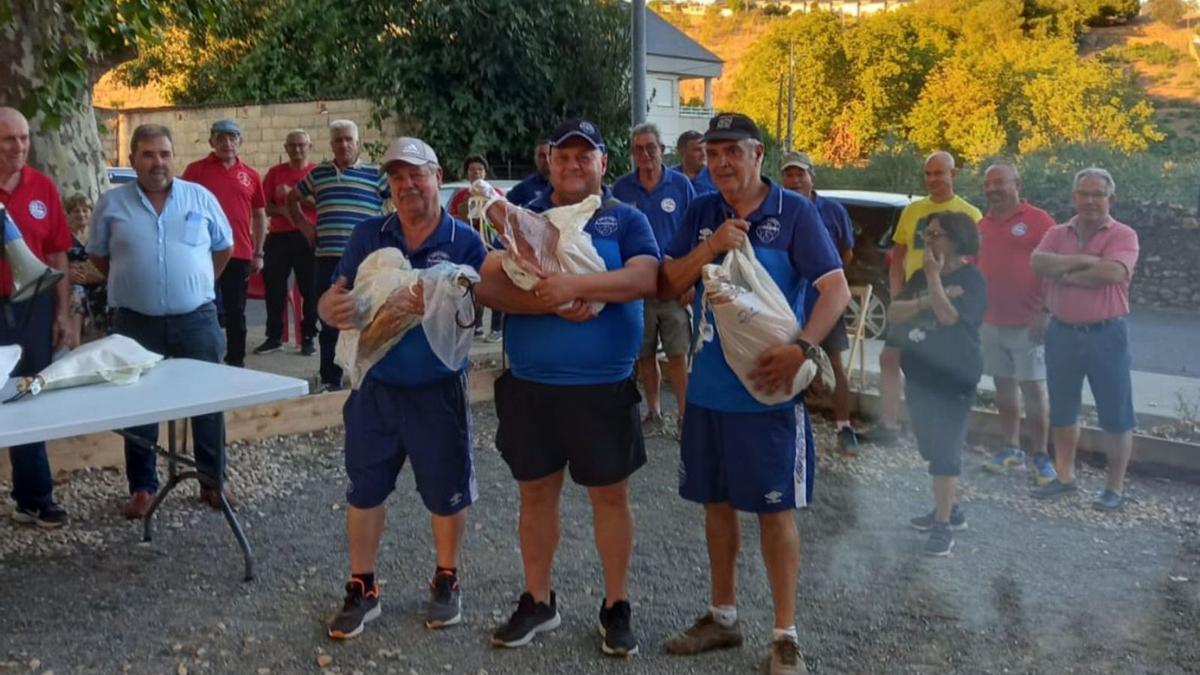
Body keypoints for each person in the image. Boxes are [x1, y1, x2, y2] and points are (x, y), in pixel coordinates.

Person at [659, 113, 850, 675]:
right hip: (709, 390)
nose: (720, 163)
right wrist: (711, 245)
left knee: (775, 512)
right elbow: (670, 282)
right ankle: (723, 618)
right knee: (716, 506)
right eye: (711, 153)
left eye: (731, 152)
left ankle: (785, 635)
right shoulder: (701, 210)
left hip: (769, 393)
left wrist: (805, 349)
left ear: (757, 154)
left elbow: (834, 289)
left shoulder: (795, 213)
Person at [476, 118, 659, 657]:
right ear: (548, 162)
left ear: (604, 163)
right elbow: (488, 284)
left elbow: (644, 278)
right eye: (564, 156)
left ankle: (616, 604)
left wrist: (576, 284)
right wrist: (551, 300)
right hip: (532, 389)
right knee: (535, 495)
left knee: (610, 497)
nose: (574, 165)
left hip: (602, 389)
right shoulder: (526, 217)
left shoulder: (624, 218)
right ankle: (538, 599)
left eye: (586, 156)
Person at [318, 137, 485, 639]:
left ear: (437, 176)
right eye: (397, 177)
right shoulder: (370, 233)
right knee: (365, 487)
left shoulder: (465, 239)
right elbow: (334, 295)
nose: (407, 185)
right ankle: (362, 586)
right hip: (376, 388)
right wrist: (331, 308)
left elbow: (483, 301)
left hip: (438, 389)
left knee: (446, 491)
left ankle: (447, 576)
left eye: (417, 174)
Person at [88, 124, 236, 518]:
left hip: (196, 320)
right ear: (133, 158)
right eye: (149, 154)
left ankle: (213, 481)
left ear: (174, 157)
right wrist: (136, 283)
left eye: (165, 154)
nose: (158, 162)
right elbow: (100, 257)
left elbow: (224, 248)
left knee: (208, 401)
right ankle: (142, 487)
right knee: (139, 407)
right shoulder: (112, 204)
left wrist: (197, 283)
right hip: (135, 324)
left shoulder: (200, 198)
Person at [1031, 168, 1139, 512]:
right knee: (1063, 410)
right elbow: (1037, 262)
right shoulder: (1056, 232)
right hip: (1062, 333)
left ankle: (1114, 488)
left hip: (1106, 335)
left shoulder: (1124, 235)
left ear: (1111, 199)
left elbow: (1112, 273)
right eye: (1084, 193)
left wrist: (1061, 271)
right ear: (1074, 197)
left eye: (1098, 194)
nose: (1090, 200)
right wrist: (1082, 262)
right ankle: (1065, 478)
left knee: (1116, 413)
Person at [886, 212, 986, 557]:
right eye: (927, 235)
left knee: (944, 452)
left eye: (936, 235)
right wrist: (928, 295)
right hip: (920, 377)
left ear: (957, 238)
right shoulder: (918, 276)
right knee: (928, 448)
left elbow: (949, 317)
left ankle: (943, 526)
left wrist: (933, 279)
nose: (929, 241)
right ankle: (951, 509)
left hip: (954, 378)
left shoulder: (972, 280)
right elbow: (894, 313)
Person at [870, 151, 981, 445]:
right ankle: (889, 424)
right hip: (913, 296)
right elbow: (898, 257)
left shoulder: (969, 213)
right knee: (889, 357)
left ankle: (941, 431)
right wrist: (897, 294)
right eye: (928, 174)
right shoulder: (913, 210)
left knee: (935, 361)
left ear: (953, 175)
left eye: (939, 174)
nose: (932, 180)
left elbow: (976, 262)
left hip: (948, 299)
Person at [0, 107, 73, 528]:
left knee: (27, 396)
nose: (19, 147)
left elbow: (58, 250)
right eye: (9, 140)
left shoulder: (42, 186)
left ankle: (34, 496)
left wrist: (62, 312)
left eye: (24, 138)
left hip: (33, 305)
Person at [287, 120, 388, 392]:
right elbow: (292, 198)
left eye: (348, 139)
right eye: (338, 140)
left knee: (369, 320)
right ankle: (330, 379)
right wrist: (304, 226)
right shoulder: (319, 174)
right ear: (331, 145)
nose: (343, 144)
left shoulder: (376, 174)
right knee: (330, 321)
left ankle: (367, 376)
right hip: (328, 260)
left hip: (366, 264)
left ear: (357, 142)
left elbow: (397, 203)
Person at [612, 122, 696, 436]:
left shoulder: (681, 185)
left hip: (674, 285)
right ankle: (654, 412)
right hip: (638, 286)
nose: (645, 154)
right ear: (632, 153)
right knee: (644, 353)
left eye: (651, 147)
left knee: (677, 352)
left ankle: (685, 416)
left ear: (662, 149)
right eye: (638, 148)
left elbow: (691, 235)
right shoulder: (621, 189)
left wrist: (689, 279)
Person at [976, 162, 1057, 485]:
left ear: (1018, 183)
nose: (994, 189)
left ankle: (1041, 455)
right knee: (1003, 386)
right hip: (990, 321)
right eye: (989, 184)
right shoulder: (981, 226)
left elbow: (1053, 270)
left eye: (1000, 182)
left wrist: (1045, 310)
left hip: (1028, 321)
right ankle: (1011, 448)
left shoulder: (1039, 222)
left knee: (1034, 388)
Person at [780, 151, 859, 454]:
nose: (795, 179)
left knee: (836, 365)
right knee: (787, 361)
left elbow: (847, 252)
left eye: (800, 173)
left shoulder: (833, 211)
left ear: (812, 176)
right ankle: (789, 426)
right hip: (787, 305)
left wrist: (828, 280)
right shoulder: (778, 210)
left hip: (824, 302)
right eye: (789, 174)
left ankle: (844, 427)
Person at [181, 119, 266, 368]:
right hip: (200, 252)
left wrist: (258, 252)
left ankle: (236, 361)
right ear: (212, 142)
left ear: (240, 141)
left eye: (232, 137)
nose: (227, 143)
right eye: (221, 138)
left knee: (235, 310)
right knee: (196, 304)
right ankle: (197, 358)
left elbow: (260, 214)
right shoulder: (195, 171)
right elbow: (182, 206)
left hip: (239, 252)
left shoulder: (251, 175)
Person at [253, 129, 318, 356]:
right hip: (279, 237)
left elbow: (322, 204)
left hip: (307, 235)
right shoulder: (275, 173)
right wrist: (283, 208)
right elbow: (264, 206)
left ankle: (308, 337)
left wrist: (295, 195)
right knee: (274, 289)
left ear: (309, 146)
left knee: (310, 290)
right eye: (292, 145)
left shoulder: (316, 173)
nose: (297, 149)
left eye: (301, 145)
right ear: (286, 148)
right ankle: (274, 337)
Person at [448, 154, 504, 341]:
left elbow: (506, 217)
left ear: (485, 172)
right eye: (472, 170)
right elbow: (451, 219)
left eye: (479, 169)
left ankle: (496, 327)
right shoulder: (461, 196)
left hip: (493, 248)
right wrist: (464, 216)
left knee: (496, 286)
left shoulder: (495, 193)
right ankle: (476, 325)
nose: (476, 173)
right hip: (470, 247)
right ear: (467, 174)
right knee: (473, 286)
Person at [63, 194, 107, 341]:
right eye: (76, 211)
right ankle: (74, 341)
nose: (81, 214)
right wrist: (68, 273)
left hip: (98, 281)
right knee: (77, 292)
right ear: (68, 214)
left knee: (109, 290)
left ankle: (105, 337)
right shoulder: (63, 237)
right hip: (73, 283)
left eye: (85, 210)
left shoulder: (100, 235)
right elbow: (55, 263)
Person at [504, 141, 551, 207]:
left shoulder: (566, 185)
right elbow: (504, 208)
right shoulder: (525, 187)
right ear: (535, 158)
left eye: (550, 155)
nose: (547, 159)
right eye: (542, 156)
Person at [673, 129, 717, 195]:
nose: (704, 154)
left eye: (705, 149)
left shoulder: (716, 175)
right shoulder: (670, 178)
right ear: (682, 152)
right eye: (698, 150)